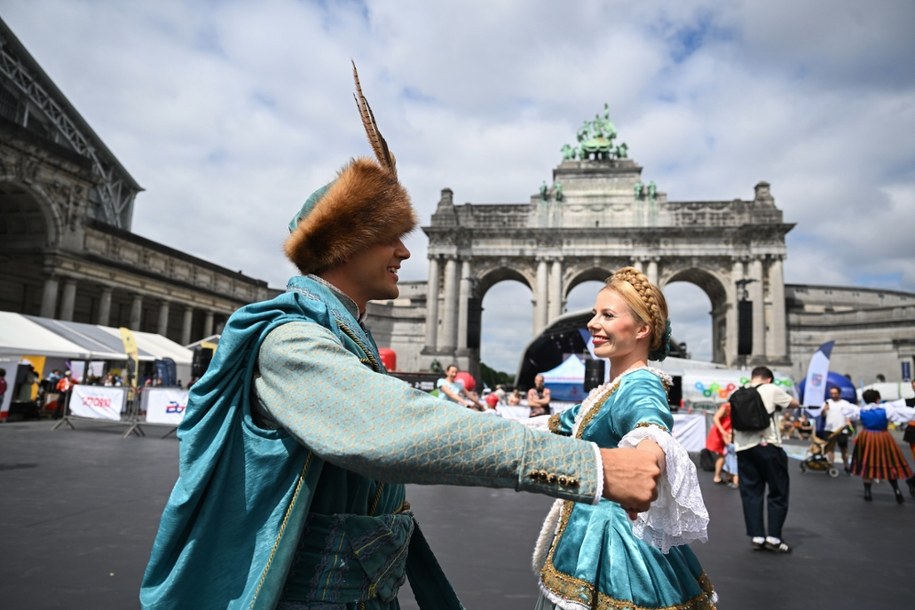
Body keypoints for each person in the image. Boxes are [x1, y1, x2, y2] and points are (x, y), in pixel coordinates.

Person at [140, 66, 663, 610]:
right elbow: (393, 425)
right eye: (390, 237)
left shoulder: (340, 337)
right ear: (345, 244)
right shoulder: (290, 341)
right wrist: (592, 467)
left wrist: (575, 422)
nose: (406, 253)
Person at [528, 267, 716, 610]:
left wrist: (646, 462)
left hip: (614, 544)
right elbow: (560, 424)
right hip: (592, 534)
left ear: (643, 329)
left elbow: (651, 430)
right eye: (595, 313)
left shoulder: (640, 383)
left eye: (608, 315)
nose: (592, 323)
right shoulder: (611, 388)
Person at [734, 366, 800, 554]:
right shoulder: (771, 389)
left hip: (744, 448)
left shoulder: (739, 391)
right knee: (778, 491)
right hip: (768, 445)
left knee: (751, 492)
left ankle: (757, 536)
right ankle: (774, 537)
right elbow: (794, 403)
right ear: (769, 379)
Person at [849, 389, 915, 503]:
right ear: (878, 399)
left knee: (867, 463)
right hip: (882, 436)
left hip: (867, 437)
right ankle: (897, 490)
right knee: (888, 463)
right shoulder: (885, 409)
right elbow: (903, 415)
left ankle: (867, 492)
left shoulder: (861, 410)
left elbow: (850, 413)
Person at [820, 386, 854, 473]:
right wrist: (824, 410)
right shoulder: (827, 402)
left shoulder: (845, 403)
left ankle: (846, 466)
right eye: (831, 393)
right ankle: (831, 466)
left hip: (841, 429)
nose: (833, 395)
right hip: (829, 429)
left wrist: (848, 423)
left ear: (839, 394)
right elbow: (822, 414)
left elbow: (849, 416)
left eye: (835, 393)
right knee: (830, 449)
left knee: (844, 449)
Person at [706, 402, 737, 487]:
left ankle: (727, 476)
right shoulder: (727, 406)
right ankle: (718, 476)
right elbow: (716, 418)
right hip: (720, 434)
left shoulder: (734, 408)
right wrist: (722, 430)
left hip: (727, 434)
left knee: (727, 456)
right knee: (722, 455)